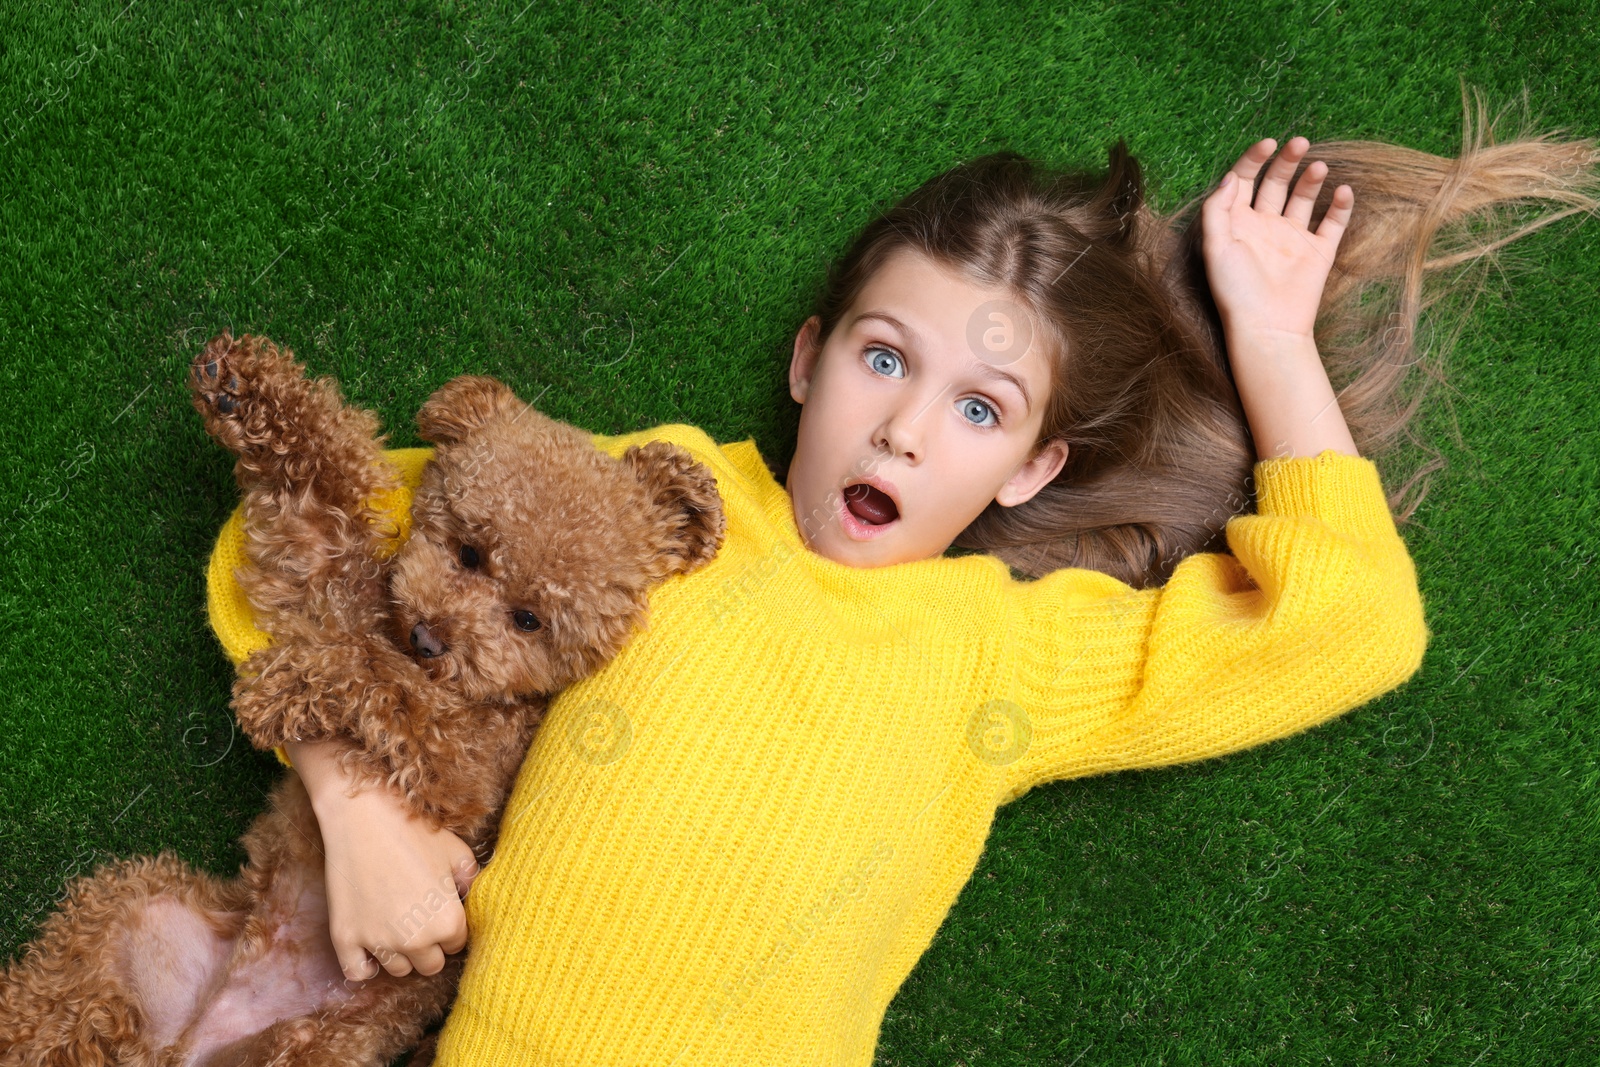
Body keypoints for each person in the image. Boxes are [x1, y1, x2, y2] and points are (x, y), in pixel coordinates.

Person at [208, 91, 1598, 1064]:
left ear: (1031, 475)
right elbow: (292, 538)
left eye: (981, 410)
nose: (907, 427)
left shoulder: (1006, 651)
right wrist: (356, 814)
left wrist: (1274, 337)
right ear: (812, 363)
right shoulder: (658, 501)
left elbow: (1354, 624)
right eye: (885, 359)